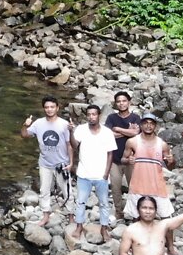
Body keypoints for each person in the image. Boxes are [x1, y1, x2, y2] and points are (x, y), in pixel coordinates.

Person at [122, 113, 179, 255]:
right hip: (138, 186)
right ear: (141, 125)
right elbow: (123, 158)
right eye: (145, 122)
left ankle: (171, 247)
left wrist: (172, 160)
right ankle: (136, 246)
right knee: (136, 218)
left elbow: (171, 166)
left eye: (151, 123)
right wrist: (128, 160)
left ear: (155, 126)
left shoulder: (162, 144)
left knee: (166, 218)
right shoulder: (132, 142)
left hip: (157, 187)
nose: (148, 125)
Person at [21, 96, 74, 226]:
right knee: (44, 191)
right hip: (45, 163)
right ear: (44, 109)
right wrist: (25, 125)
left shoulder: (64, 124)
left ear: (57, 108)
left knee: (67, 191)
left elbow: (69, 145)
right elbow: (24, 135)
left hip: (62, 163)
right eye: (46, 107)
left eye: (52, 107)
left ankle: (71, 215)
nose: (49, 110)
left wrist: (71, 163)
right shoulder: (39, 123)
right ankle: (45, 216)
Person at [72, 104, 117, 237]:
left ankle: (104, 228)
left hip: (100, 175)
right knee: (80, 201)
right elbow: (75, 146)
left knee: (104, 202)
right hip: (84, 173)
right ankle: (79, 226)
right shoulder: (81, 129)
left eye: (94, 114)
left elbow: (110, 153)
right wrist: (70, 132)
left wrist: (106, 173)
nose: (91, 117)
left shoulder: (107, 132)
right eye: (89, 115)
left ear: (99, 116)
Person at [104, 91, 141, 214]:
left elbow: (136, 133)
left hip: (131, 159)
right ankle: (118, 211)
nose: (121, 103)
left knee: (134, 186)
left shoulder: (135, 118)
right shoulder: (111, 118)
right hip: (115, 159)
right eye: (119, 101)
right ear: (116, 103)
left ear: (129, 102)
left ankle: (135, 211)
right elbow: (108, 135)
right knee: (115, 187)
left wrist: (118, 129)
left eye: (124, 101)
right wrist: (127, 131)